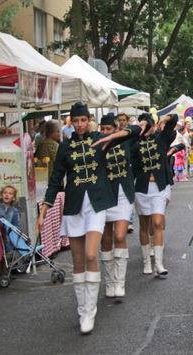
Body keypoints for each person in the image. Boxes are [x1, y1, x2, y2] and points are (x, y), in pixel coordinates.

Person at [37, 102, 142, 334]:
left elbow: (136, 131)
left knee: (92, 253)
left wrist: (114, 134)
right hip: (74, 204)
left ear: (88, 120)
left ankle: (90, 311)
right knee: (78, 262)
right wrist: (44, 210)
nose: (80, 124)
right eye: (75, 121)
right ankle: (82, 308)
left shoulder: (99, 138)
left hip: (96, 203)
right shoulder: (64, 147)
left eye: (83, 120)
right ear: (71, 122)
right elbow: (56, 180)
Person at [132, 113, 185, 277]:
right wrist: (136, 129)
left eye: (146, 124)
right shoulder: (134, 143)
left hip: (159, 187)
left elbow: (174, 121)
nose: (144, 127)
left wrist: (164, 119)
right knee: (144, 224)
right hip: (141, 187)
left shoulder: (161, 138)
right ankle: (146, 260)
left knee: (157, 221)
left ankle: (159, 264)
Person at [98, 113, 135, 299]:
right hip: (105, 193)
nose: (105, 132)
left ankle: (120, 281)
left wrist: (117, 135)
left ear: (116, 129)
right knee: (105, 240)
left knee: (120, 235)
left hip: (122, 192)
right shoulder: (96, 145)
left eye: (109, 129)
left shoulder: (125, 142)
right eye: (102, 129)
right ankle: (109, 282)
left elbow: (139, 128)